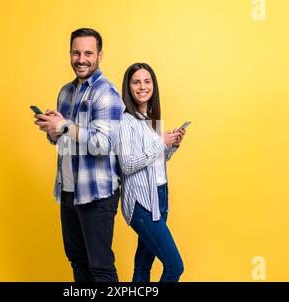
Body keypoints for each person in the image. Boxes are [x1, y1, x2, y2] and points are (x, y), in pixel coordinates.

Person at [34, 28, 125, 282]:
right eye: (76, 52)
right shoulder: (65, 92)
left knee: (101, 268)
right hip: (68, 190)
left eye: (88, 53)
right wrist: (52, 129)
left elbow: (103, 144)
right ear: (70, 54)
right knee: (77, 261)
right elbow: (64, 141)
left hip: (97, 193)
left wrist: (64, 127)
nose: (81, 59)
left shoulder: (106, 93)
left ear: (100, 55)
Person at [118, 63, 186, 282]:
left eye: (147, 81)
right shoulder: (125, 122)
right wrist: (160, 143)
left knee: (142, 266)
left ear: (154, 86)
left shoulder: (153, 121)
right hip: (141, 203)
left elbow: (156, 161)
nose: (142, 87)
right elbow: (127, 165)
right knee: (174, 267)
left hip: (160, 198)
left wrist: (171, 145)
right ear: (128, 88)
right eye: (136, 82)